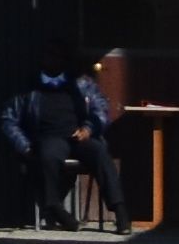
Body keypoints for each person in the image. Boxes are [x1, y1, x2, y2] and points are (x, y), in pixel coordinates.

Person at [13, 51, 121, 232]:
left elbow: (101, 110)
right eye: (49, 57)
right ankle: (55, 208)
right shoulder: (31, 87)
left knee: (100, 153)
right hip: (49, 137)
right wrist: (24, 145)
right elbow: (9, 119)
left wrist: (89, 128)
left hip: (78, 136)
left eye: (58, 57)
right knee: (48, 156)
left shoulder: (82, 84)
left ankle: (120, 209)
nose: (53, 61)